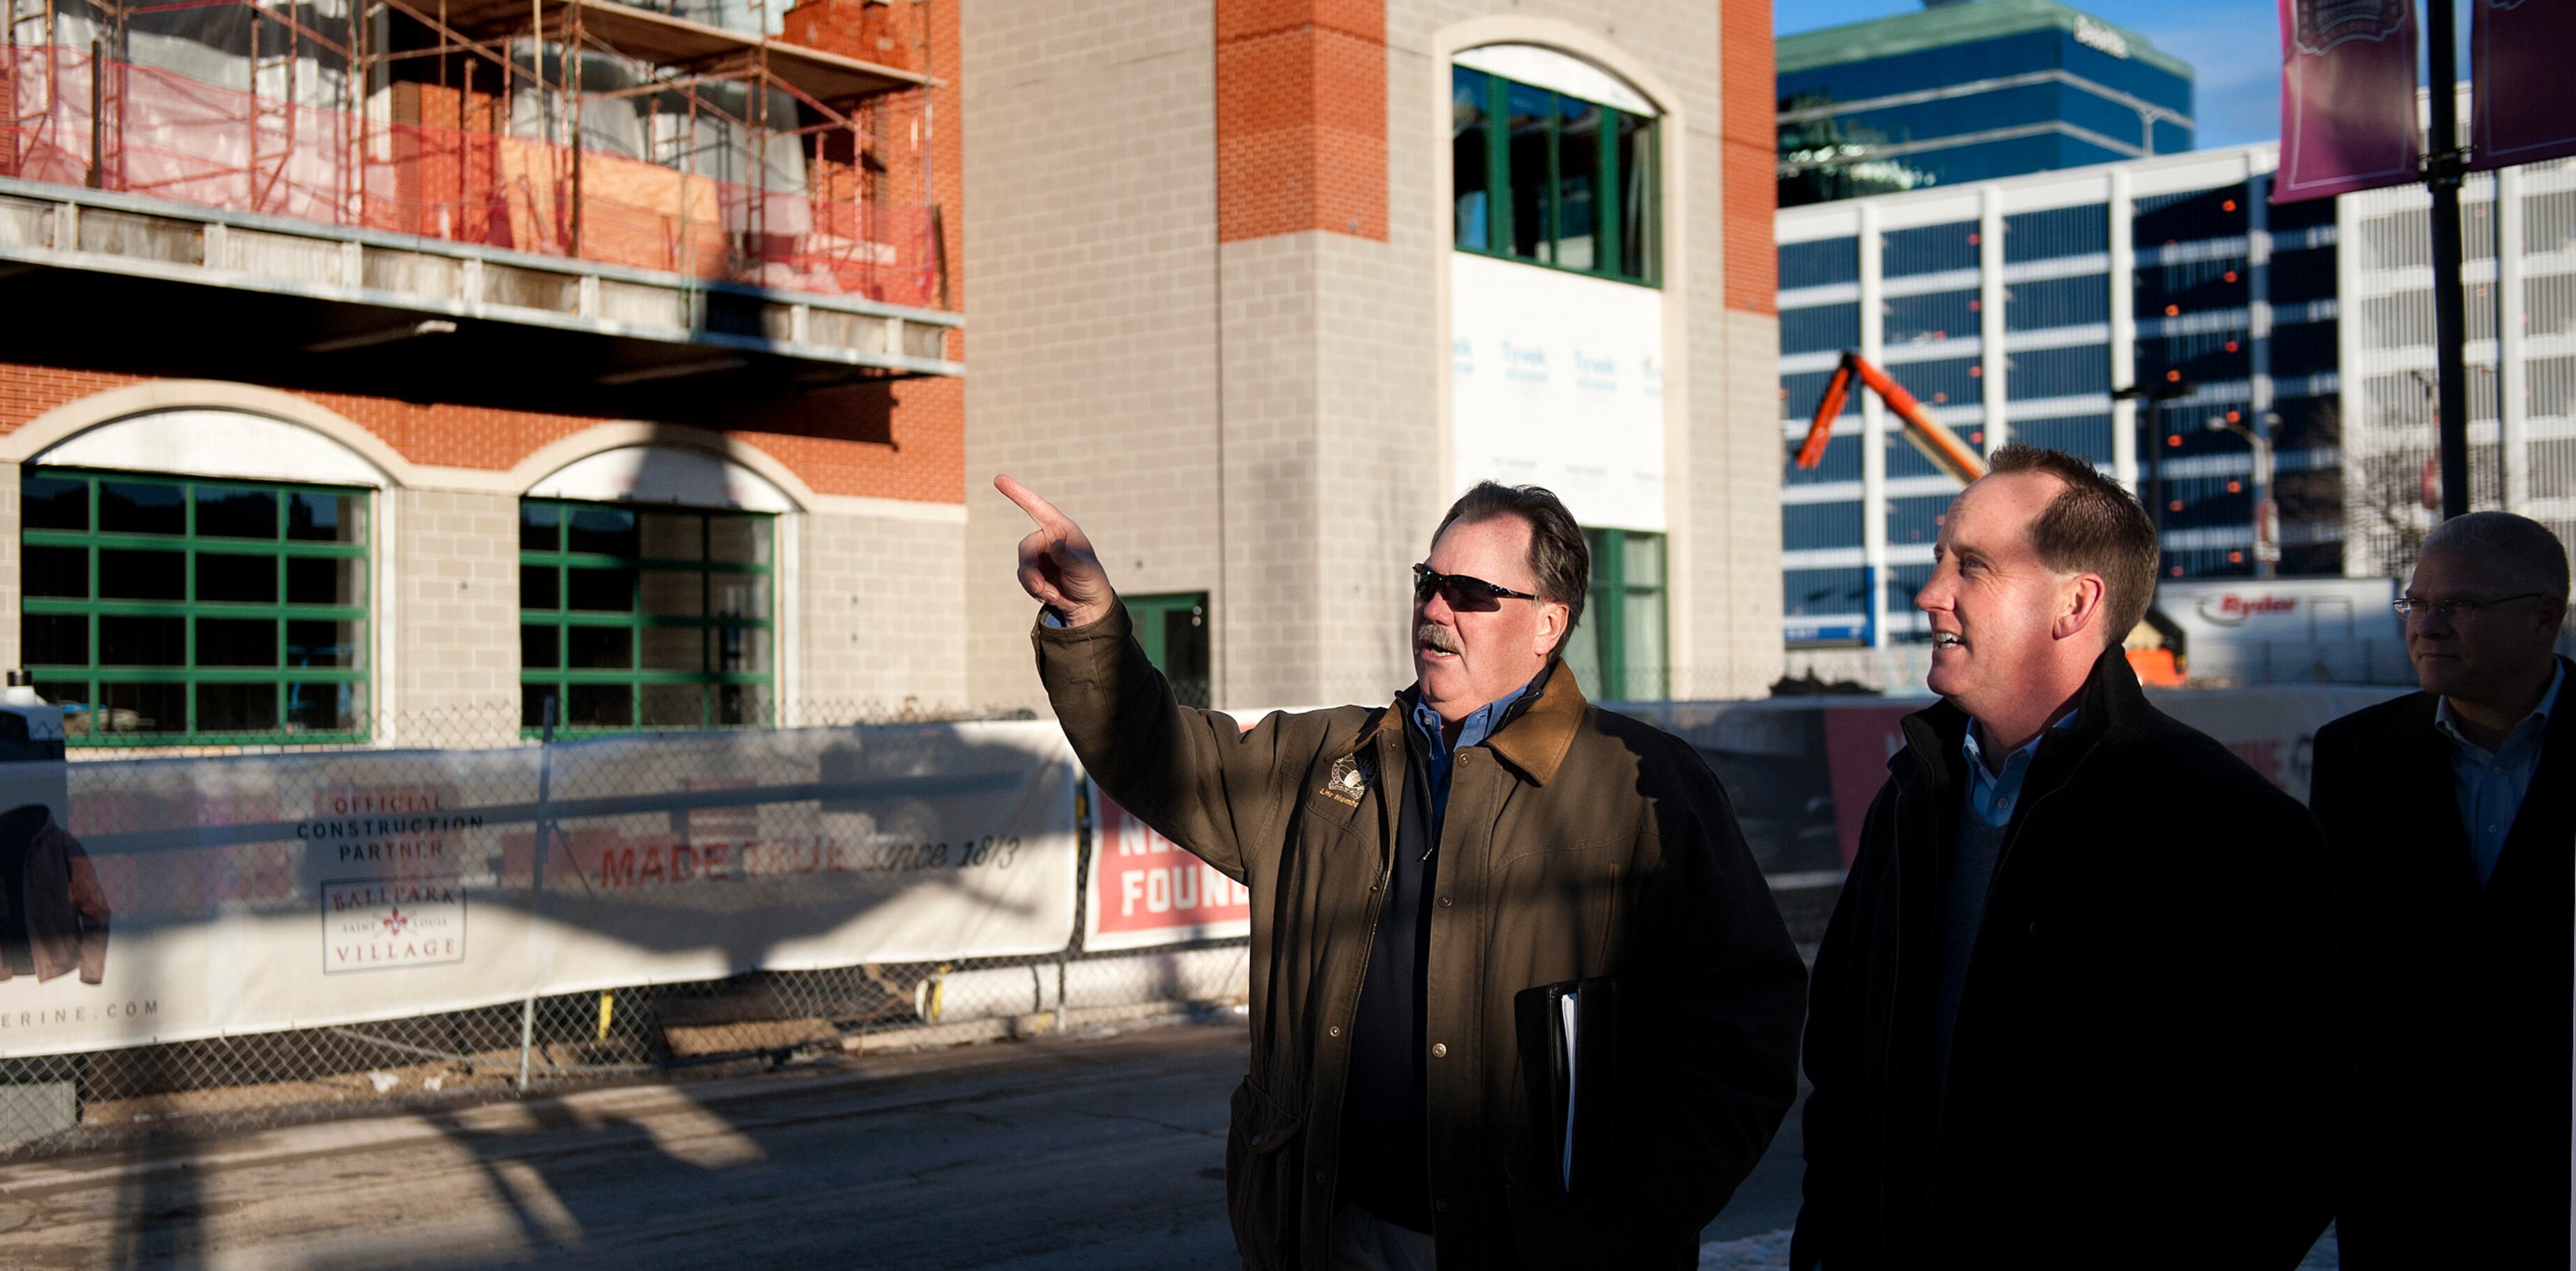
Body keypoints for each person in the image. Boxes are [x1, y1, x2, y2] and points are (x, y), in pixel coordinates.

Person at [998, 474, 1803, 1270]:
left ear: (1548, 623)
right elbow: (1159, 752)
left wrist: (1636, 1220)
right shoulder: (1328, 763)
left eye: (1467, 591)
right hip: (1332, 1234)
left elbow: (1746, 1031)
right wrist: (1089, 624)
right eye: (1428, 582)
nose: (1433, 608)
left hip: (1538, 1251)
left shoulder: (1643, 786)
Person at [1790, 444, 2338, 1270]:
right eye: (1940, 560)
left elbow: (2293, 1129)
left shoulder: (2226, 824)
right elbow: (1841, 1065)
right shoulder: (1911, 797)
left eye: (1971, 566)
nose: (1930, 594)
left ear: (2075, 603)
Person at [2311, 511, 2573, 1268]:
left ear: (2544, 617)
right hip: (2408, 1186)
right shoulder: (2356, 756)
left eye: (2457, 605)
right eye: (2416, 604)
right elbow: (2335, 968)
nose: (2427, 625)